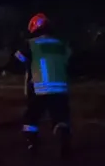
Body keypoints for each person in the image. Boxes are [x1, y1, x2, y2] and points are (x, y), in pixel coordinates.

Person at [14, 13, 72, 155]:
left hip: (40, 88)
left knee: (30, 118)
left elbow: (18, 59)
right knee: (60, 118)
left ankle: (33, 144)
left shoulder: (32, 44)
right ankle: (62, 135)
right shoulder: (61, 44)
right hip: (61, 88)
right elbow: (69, 60)